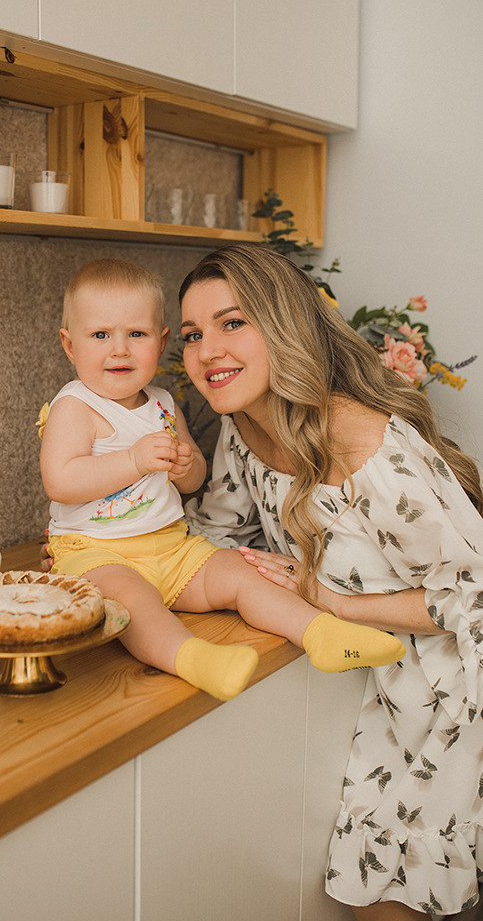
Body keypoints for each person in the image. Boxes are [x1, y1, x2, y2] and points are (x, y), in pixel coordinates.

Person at [177, 243, 483, 920]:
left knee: (388, 903)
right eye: (193, 334)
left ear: (280, 325)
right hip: (384, 686)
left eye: (232, 323)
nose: (206, 351)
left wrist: (332, 599)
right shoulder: (240, 427)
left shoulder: (364, 439)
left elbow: (477, 597)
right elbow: (216, 532)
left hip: (455, 692)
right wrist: (106, 549)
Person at [38, 258, 405, 704]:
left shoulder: (161, 403)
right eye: (100, 335)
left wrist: (186, 465)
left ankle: (322, 634)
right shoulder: (74, 407)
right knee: (135, 606)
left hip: (171, 544)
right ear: (69, 345)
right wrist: (135, 460)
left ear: (162, 341)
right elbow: (60, 480)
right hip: (98, 554)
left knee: (240, 574)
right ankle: (195, 658)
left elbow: (193, 481)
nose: (119, 350)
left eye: (136, 334)